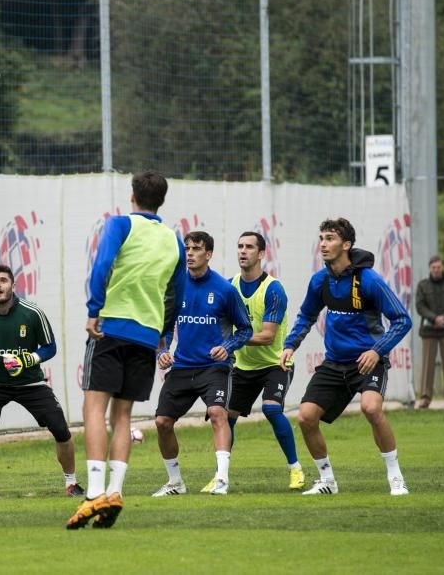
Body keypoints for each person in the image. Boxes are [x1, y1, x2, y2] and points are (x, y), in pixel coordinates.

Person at [66, 171, 186, 530]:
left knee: (93, 410)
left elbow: (102, 266)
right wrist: (163, 333)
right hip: (147, 334)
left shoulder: (119, 224)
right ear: (161, 201)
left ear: (132, 195)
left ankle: (94, 495)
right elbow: (176, 295)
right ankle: (115, 492)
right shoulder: (174, 240)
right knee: (123, 417)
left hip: (111, 327)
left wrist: (93, 309)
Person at [281, 218, 412, 496]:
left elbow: (402, 320)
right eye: (321, 238)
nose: (323, 244)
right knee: (305, 417)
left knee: (371, 408)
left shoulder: (369, 280)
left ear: (346, 244)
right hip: (334, 363)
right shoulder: (320, 280)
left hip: (367, 361)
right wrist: (290, 345)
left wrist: (377, 351)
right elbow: (306, 315)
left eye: (330, 238)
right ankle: (327, 480)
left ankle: (396, 477)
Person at [0, 263, 82, 502]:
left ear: (13, 284)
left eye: (3, 280)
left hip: (30, 383)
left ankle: (71, 484)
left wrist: (27, 359)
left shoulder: (32, 313)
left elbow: (50, 347)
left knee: (61, 429)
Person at [151, 231, 253, 498]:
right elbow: (164, 328)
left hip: (214, 367)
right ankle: (175, 482)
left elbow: (245, 330)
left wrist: (227, 347)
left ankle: (221, 479)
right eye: (187, 249)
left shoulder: (224, 289)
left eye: (196, 249)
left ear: (208, 254)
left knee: (218, 413)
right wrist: (162, 351)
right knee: (162, 422)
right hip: (182, 367)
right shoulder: (175, 286)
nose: (190, 254)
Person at [221, 231, 304, 491]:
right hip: (243, 366)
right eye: (239, 246)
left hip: (275, 364)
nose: (242, 251)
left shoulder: (273, 289)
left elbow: (268, 336)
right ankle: (221, 475)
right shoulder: (228, 286)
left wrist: (231, 341)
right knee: (225, 417)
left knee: (271, 409)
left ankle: (295, 469)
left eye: (248, 247)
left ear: (261, 254)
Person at [415, 255, 444, 409]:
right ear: (430, 269)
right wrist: (434, 318)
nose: (436, 270)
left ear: (443, 268)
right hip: (429, 331)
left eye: (438, 267)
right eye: (433, 267)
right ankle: (425, 397)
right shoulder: (423, 285)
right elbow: (420, 306)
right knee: (427, 365)